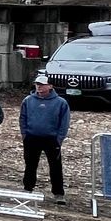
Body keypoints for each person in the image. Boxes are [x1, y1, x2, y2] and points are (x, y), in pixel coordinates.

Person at [19, 74, 71, 202]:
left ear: (50, 86)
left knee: (55, 166)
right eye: (37, 84)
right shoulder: (28, 100)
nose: (39, 87)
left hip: (51, 139)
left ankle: (58, 193)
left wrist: (59, 139)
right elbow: (22, 118)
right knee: (30, 164)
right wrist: (25, 134)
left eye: (42, 84)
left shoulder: (60, 103)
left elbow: (64, 123)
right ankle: (28, 188)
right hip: (32, 137)